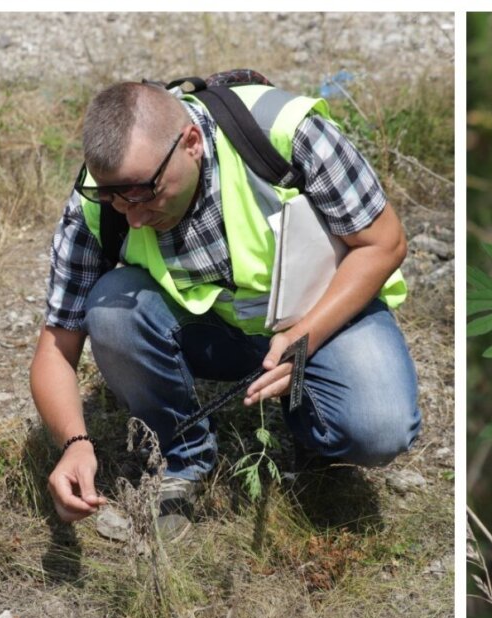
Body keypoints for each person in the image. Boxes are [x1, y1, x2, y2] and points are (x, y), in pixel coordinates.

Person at [30, 78, 422, 537]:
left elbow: (385, 242)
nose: (131, 216)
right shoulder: (98, 202)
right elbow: (55, 349)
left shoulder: (285, 132)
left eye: (145, 193)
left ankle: (312, 430)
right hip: (215, 334)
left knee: (379, 429)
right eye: (115, 197)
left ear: (191, 143)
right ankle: (182, 458)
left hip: (323, 316)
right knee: (111, 308)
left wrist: (305, 337)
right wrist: (74, 445)